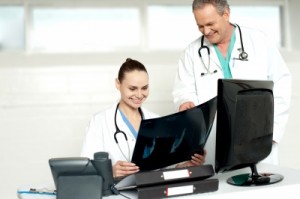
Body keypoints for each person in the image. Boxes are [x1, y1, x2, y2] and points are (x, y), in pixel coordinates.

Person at [172, 0, 291, 165]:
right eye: (200, 26)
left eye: (210, 24)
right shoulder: (191, 53)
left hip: (258, 137)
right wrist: (185, 103)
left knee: (260, 186)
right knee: (221, 187)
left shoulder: (259, 42)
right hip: (214, 142)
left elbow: (281, 84)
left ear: (226, 14)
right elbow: (183, 91)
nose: (205, 31)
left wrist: (273, 133)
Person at [81, 58, 206, 178]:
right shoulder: (99, 122)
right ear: (118, 84)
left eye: (144, 88)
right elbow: (86, 170)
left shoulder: (158, 121)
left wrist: (187, 165)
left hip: (153, 192)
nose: (140, 95)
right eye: (132, 88)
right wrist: (110, 172)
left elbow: (165, 169)